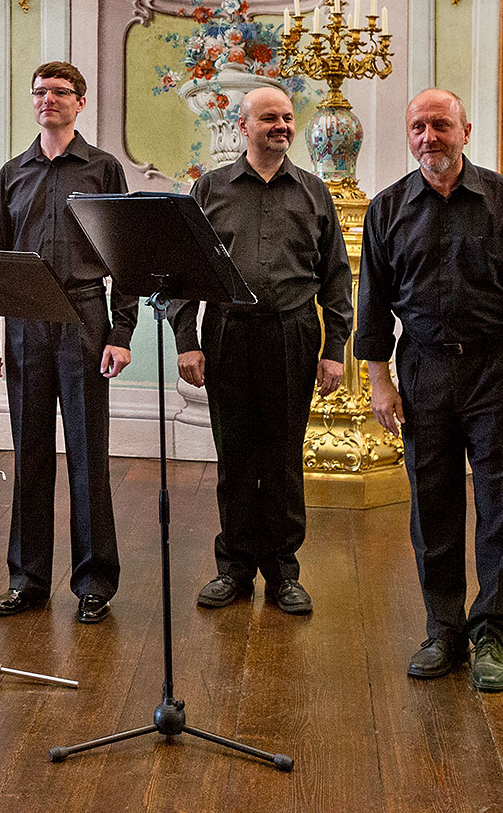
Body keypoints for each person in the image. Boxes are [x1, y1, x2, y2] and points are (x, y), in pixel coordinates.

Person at [356, 89, 503, 691]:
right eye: (418, 126)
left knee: (500, 507)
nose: (429, 137)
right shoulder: (389, 209)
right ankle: (443, 628)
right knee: (433, 505)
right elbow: (372, 306)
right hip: (421, 372)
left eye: (440, 125)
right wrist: (380, 384)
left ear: (466, 131)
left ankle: (493, 635)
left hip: (497, 373)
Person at [171, 87, 352, 616]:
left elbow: (335, 277)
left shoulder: (315, 191)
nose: (281, 126)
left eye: (288, 118)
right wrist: (187, 342)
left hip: (293, 335)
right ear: (243, 125)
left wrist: (335, 349)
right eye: (269, 117)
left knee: (282, 456)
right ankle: (233, 568)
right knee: (235, 456)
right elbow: (186, 270)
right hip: (227, 334)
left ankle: (282, 571)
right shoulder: (210, 189)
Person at [0, 62, 137, 623]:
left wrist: (120, 333)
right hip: (23, 322)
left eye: (59, 92)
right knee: (31, 454)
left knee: (88, 454)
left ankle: (94, 579)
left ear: (81, 102)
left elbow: (127, 256)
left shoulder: (102, 168)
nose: (48, 99)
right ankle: (28, 578)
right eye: (40, 91)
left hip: (84, 317)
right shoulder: (12, 172)